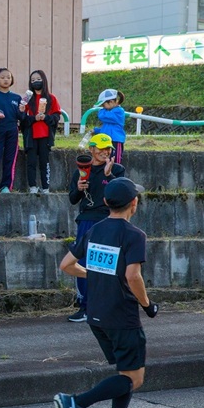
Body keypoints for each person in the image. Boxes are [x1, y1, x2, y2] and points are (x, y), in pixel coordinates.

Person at [55, 177, 159, 408]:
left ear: (105, 202)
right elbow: (133, 276)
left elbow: (66, 265)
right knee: (134, 378)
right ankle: (75, 403)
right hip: (121, 315)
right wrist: (147, 304)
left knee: (125, 372)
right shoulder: (134, 235)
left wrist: (93, 274)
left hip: (96, 314)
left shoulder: (95, 230)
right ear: (134, 203)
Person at [66, 134, 125, 323]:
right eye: (100, 148)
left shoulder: (117, 169)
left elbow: (121, 197)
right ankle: (85, 306)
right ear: (91, 149)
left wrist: (110, 176)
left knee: (108, 263)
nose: (104, 152)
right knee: (83, 262)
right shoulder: (82, 170)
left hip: (109, 220)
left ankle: (108, 306)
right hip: (87, 220)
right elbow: (73, 199)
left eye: (108, 149)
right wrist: (78, 188)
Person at [19, 69, 61, 194]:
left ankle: (45, 187)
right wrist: (30, 115)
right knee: (31, 162)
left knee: (44, 162)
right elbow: (22, 119)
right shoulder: (28, 98)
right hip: (31, 136)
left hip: (45, 135)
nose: (35, 82)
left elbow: (56, 117)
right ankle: (32, 187)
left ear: (44, 80)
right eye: (32, 80)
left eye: (38, 79)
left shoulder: (51, 98)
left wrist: (45, 117)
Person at [0, 68, 24, 193]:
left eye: (8, 77)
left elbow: (21, 117)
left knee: (10, 159)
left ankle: (5, 186)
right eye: (2, 77)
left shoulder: (17, 98)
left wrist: (22, 111)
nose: (6, 80)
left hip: (12, 131)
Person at [94, 89, 127, 164]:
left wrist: (102, 111)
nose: (103, 108)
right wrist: (97, 131)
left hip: (116, 140)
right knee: (106, 160)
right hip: (106, 140)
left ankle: (117, 171)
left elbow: (103, 116)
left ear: (111, 102)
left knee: (115, 160)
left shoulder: (119, 111)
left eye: (103, 105)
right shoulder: (110, 112)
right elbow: (106, 129)